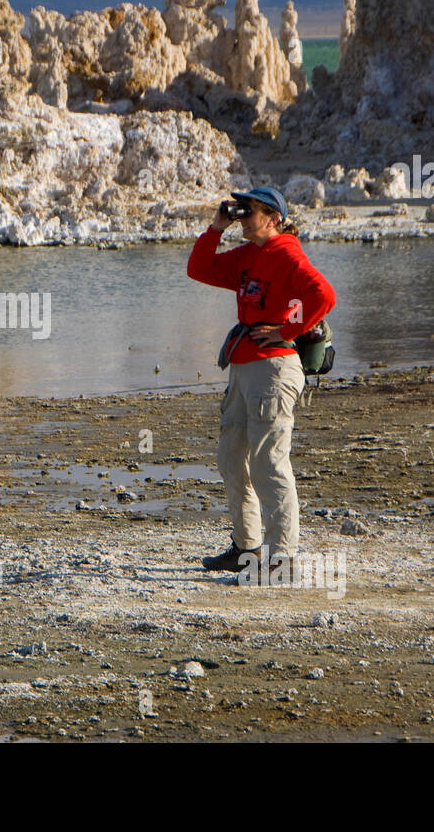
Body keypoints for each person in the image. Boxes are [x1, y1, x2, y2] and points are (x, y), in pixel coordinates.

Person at [186, 187, 336, 584]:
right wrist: (216, 228)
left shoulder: (286, 252)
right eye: (241, 209)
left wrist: (288, 329)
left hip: (274, 370)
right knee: (232, 456)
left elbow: (324, 295)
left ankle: (282, 559)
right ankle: (247, 548)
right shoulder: (248, 256)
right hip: (242, 369)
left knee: (269, 462)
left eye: (248, 210)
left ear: (273, 218)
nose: (242, 215)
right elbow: (198, 269)